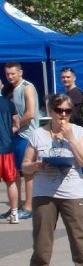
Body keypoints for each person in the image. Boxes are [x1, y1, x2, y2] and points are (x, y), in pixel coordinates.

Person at [15, 94, 83, 266]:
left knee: (81, 244)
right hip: (44, 194)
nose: (63, 114)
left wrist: (71, 138)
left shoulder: (78, 132)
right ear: (50, 112)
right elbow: (24, 166)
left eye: (67, 111)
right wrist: (36, 166)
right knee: (42, 246)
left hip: (72, 194)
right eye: (59, 111)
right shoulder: (38, 134)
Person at [4, 61, 39, 219]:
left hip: (27, 135)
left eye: (13, 73)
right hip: (15, 136)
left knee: (27, 172)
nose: (10, 77)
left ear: (20, 72)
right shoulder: (9, 90)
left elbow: (30, 113)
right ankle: (15, 206)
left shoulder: (27, 87)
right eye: (7, 74)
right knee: (14, 173)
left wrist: (15, 126)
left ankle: (29, 207)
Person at [0, 91, 19, 223]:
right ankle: (14, 213)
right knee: (10, 181)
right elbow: (17, 124)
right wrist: (7, 132)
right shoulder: (9, 104)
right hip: (7, 147)